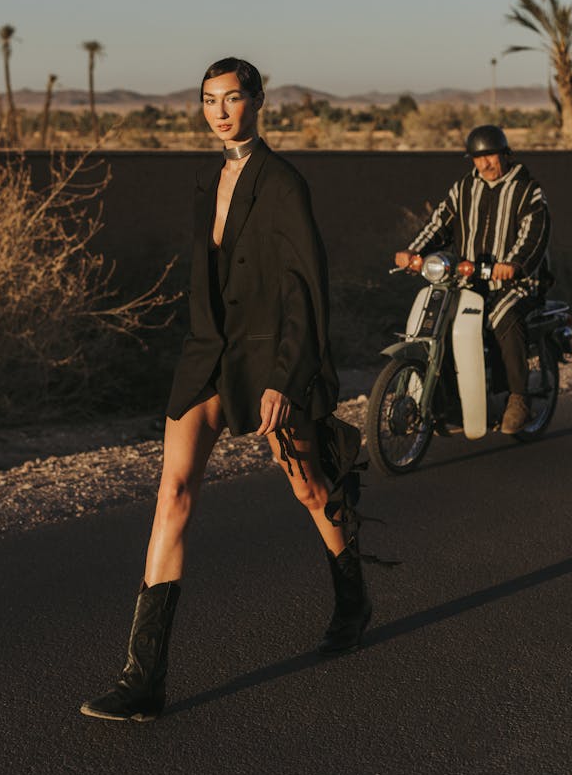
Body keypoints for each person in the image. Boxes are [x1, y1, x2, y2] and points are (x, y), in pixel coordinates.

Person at [80, 57, 369, 723]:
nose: (219, 111)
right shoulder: (206, 179)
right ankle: (143, 676)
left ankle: (352, 598)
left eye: (231, 98)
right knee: (173, 493)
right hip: (208, 354)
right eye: (208, 100)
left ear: (258, 101)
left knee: (307, 486)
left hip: (268, 357)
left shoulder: (285, 183)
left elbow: (305, 289)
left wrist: (287, 379)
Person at [394, 124, 551, 435]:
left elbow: (534, 236)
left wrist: (513, 265)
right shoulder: (465, 187)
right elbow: (440, 222)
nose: (484, 164)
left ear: (505, 154)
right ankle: (447, 400)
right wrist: (414, 252)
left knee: (504, 315)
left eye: (490, 156)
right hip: (467, 279)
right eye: (477, 158)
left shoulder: (527, 190)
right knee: (439, 318)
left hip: (515, 282)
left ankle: (518, 398)